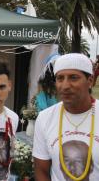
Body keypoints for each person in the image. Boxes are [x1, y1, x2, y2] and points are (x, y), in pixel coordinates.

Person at [33, 53, 99, 181]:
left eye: (73, 78)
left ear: (90, 81)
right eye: (60, 78)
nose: (65, 86)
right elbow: (41, 170)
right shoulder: (45, 118)